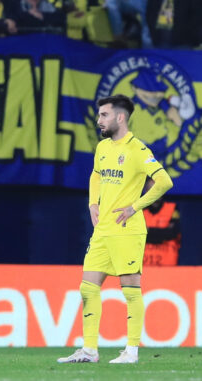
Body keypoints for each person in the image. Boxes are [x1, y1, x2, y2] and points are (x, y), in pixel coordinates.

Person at [57, 94, 173, 364]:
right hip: (103, 230)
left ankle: (131, 352)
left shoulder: (138, 150)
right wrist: (92, 203)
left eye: (104, 115)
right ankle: (89, 350)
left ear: (120, 117)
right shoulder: (103, 148)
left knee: (130, 290)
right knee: (88, 288)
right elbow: (96, 174)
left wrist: (135, 207)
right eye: (99, 115)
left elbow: (164, 181)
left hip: (127, 230)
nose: (99, 120)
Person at [143, 197, 180, 266]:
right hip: (143, 264)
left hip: (167, 263)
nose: (155, 194)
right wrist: (162, 234)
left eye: (158, 190)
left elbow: (172, 233)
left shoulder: (172, 208)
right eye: (151, 190)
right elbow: (134, 235)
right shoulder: (138, 211)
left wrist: (148, 231)